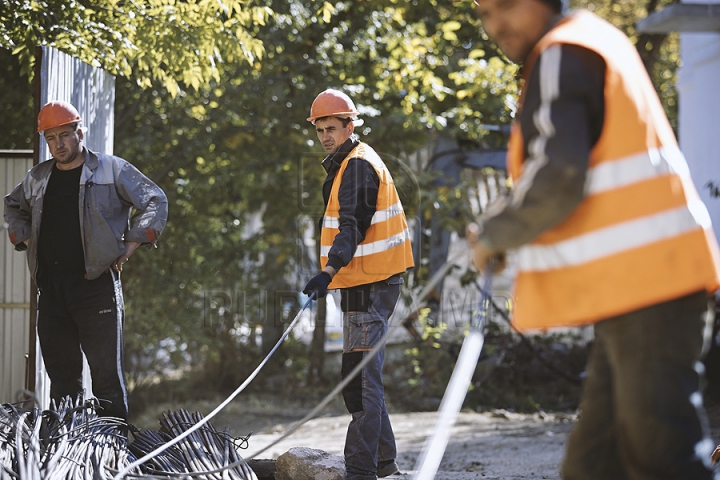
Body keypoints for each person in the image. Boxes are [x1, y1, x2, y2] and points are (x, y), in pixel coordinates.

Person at [467, 0, 720, 478]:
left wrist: (493, 235)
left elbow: (557, 177)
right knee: (594, 464)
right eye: (484, 13)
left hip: (652, 288)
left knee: (664, 457)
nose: (495, 25)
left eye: (506, 6)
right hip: (640, 291)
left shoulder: (564, 52)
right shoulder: (592, 42)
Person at [4, 100, 168, 422]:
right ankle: (70, 449)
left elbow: (154, 199)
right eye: (51, 138)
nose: (58, 144)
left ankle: (113, 447)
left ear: (79, 132)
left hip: (96, 288)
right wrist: (22, 236)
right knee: (63, 381)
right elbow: (13, 207)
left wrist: (132, 243)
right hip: (51, 292)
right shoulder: (37, 177)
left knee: (106, 378)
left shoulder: (110, 169)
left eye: (64, 135)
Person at [302, 88, 414, 480]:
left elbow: (351, 226)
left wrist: (328, 272)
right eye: (320, 130)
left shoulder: (358, 166)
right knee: (364, 375)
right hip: (365, 283)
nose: (325, 136)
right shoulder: (348, 162)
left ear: (350, 125)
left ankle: (361, 471)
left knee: (360, 380)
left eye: (331, 128)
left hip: (369, 285)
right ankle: (384, 463)